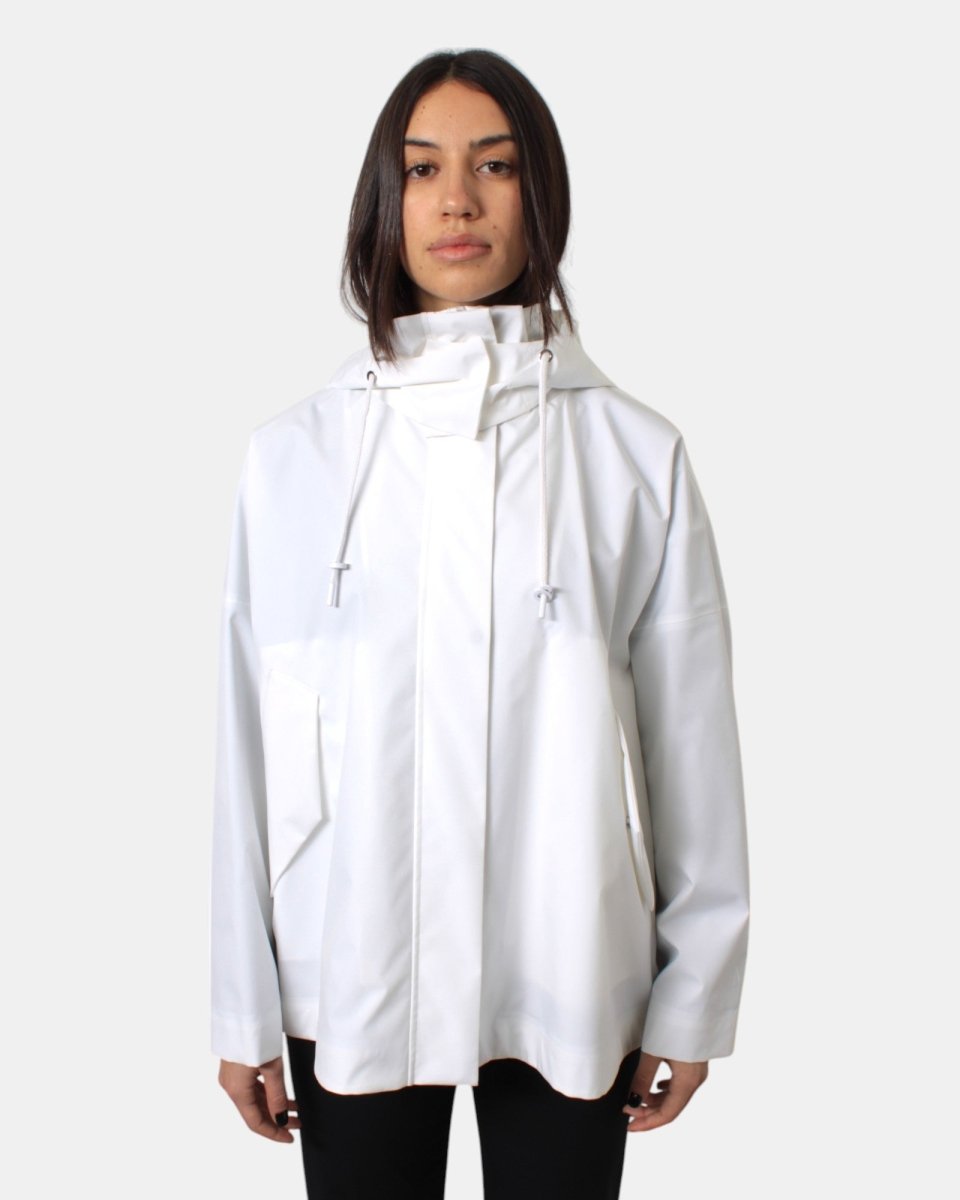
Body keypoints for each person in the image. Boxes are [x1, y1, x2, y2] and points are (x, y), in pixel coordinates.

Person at [211, 47, 749, 1200]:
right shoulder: (292, 461)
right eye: (423, 169)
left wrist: (694, 991)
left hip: (569, 961)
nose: (457, 200)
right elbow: (248, 747)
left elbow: (691, 746)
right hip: (348, 965)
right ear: (385, 200)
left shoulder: (631, 457)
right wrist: (239, 999)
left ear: (539, 193)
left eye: (494, 166)